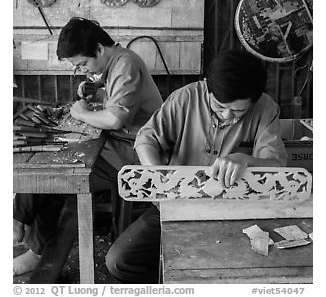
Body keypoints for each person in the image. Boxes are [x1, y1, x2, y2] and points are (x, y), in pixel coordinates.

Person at [105, 50, 288, 283]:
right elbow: (146, 139)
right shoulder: (185, 98)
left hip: (236, 210)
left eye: (239, 111)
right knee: (119, 261)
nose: (227, 115)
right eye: (220, 106)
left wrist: (246, 160)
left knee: (243, 267)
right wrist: (160, 178)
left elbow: (276, 167)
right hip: (176, 202)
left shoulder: (265, 108)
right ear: (208, 88)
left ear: (254, 99)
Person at [13, 17, 163, 276]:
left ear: (99, 48)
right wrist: (96, 88)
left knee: (59, 177)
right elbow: (117, 94)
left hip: (137, 152)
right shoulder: (116, 62)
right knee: (52, 165)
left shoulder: (125, 64)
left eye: (83, 63)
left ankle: (34, 248)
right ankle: (20, 222)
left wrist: (81, 114)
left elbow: (116, 118)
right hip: (120, 142)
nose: (83, 70)